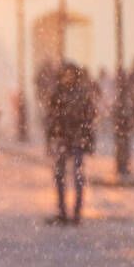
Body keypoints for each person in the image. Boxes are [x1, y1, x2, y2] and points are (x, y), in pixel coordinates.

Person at [46, 61, 97, 225]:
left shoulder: (80, 94)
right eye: (66, 74)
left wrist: (89, 140)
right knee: (61, 176)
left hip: (76, 139)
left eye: (71, 74)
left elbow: (89, 118)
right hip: (64, 138)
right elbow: (51, 118)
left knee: (77, 176)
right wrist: (50, 139)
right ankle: (63, 211)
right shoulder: (58, 93)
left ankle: (76, 213)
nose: (68, 77)